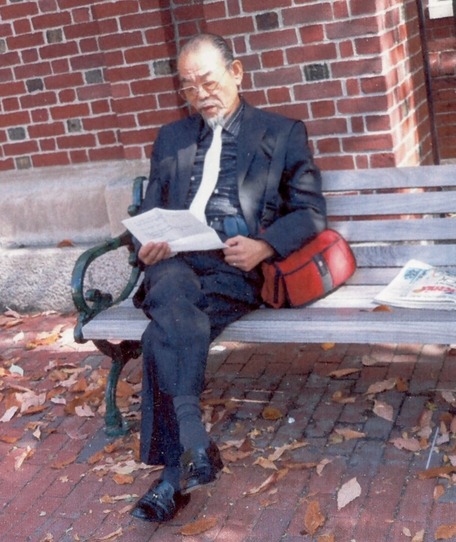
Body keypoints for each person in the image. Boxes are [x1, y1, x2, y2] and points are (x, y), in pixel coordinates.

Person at [129, 33, 327, 523]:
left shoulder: (281, 133)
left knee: (164, 331)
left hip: (233, 269)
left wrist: (263, 245)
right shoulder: (171, 138)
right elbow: (146, 211)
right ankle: (192, 443)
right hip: (174, 262)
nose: (200, 95)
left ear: (236, 73)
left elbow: (311, 213)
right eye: (189, 87)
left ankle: (175, 471)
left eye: (209, 82)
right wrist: (145, 246)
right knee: (171, 285)